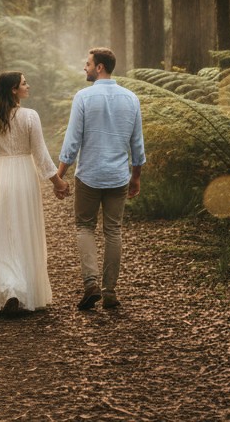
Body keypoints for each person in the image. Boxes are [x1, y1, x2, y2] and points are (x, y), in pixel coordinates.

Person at [0, 71, 69, 315]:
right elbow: (41, 154)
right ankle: (20, 288)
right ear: (14, 89)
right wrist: (57, 182)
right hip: (24, 176)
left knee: (3, 233)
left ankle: (9, 288)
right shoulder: (30, 116)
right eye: (24, 83)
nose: (28, 86)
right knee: (23, 229)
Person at [57, 46, 145, 311]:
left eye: (87, 63)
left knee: (85, 227)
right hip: (118, 176)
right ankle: (109, 292)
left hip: (89, 176)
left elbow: (72, 142)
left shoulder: (83, 97)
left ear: (99, 67)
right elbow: (137, 144)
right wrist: (136, 177)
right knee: (113, 231)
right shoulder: (131, 99)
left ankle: (91, 283)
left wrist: (59, 176)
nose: (84, 67)